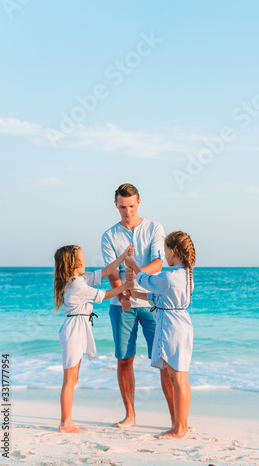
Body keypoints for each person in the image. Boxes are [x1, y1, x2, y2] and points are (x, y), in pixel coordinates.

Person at [101, 183, 174, 428]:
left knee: (163, 360)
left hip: (152, 301)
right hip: (121, 305)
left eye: (131, 206)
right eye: (122, 207)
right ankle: (130, 415)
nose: (127, 212)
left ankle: (177, 418)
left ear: (138, 202)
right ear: (116, 205)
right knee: (124, 359)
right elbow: (112, 272)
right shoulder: (109, 236)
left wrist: (137, 278)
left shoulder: (154, 228)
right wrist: (123, 294)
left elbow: (158, 262)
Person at [54, 243, 134, 433]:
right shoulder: (77, 285)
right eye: (82, 259)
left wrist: (123, 256)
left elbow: (105, 272)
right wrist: (126, 286)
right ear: (73, 263)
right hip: (74, 330)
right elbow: (105, 294)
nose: (86, 261)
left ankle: (67, 421)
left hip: (79, 328)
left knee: (73, 378)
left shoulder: (79, 280)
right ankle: (66, 423)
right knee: (70, 379)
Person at [125, 230, 196, 439]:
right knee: (182, 377)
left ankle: (179, 429)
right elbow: (158, 297)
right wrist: (135, 295)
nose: (164, 256)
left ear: (173, 252)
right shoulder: (186, 275)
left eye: (165, 251)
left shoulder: (169, 276)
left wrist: (133, 265)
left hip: (171, 326)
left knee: (177, 377)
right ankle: (181, 424)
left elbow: (146, 280)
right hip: (182, 323)